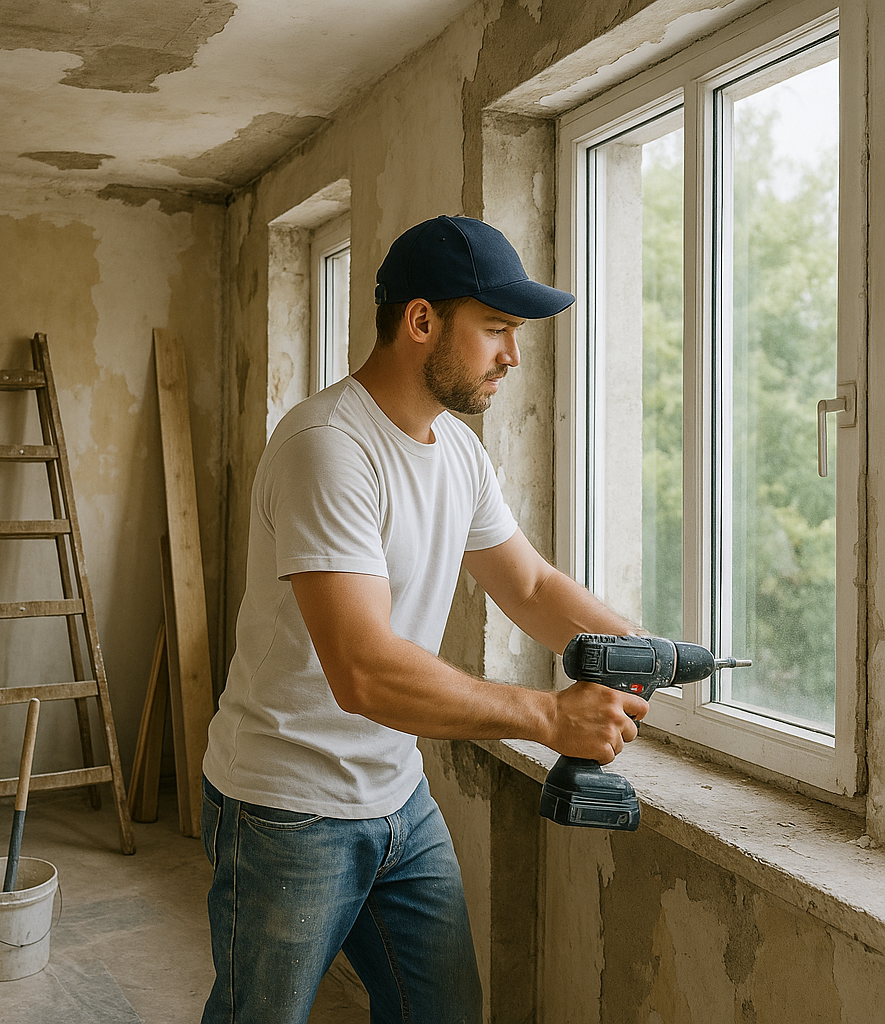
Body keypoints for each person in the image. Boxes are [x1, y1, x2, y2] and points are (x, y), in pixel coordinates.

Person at [199, 215, 649, 1024]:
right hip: (286, 807)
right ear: (420, 321)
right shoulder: (328, 447)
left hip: (397, 797)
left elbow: (531, 587)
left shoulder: (458, 453)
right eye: (498, 329)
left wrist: (639, 653)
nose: (513, 355)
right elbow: (363, 672)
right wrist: (549, 716)